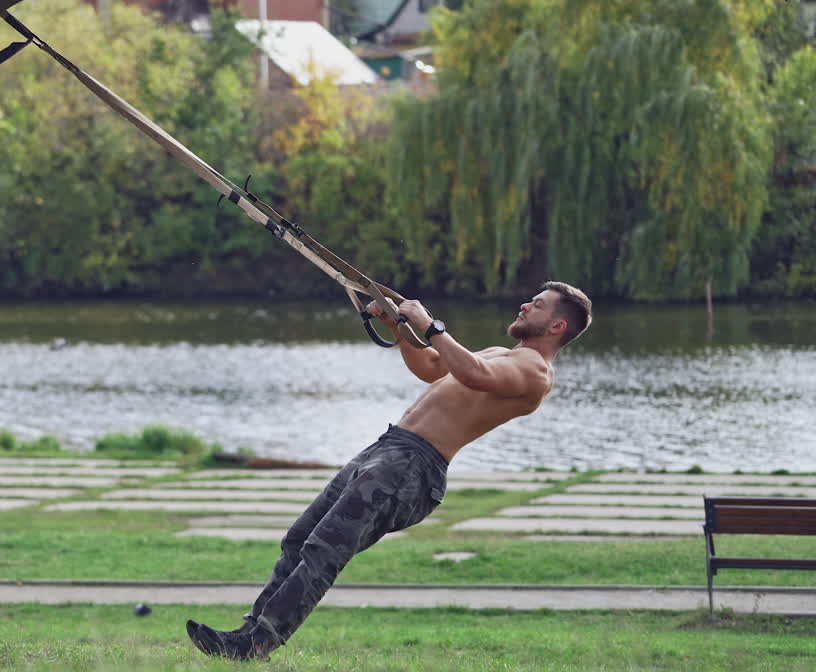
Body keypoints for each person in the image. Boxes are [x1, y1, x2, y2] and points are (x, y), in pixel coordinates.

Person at [186, 281, 593, 660]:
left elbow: (473, 374)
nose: (524, 304)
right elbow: (434, 366)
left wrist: (431, 325)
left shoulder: (535, 373)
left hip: (413, 468)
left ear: (557, 326)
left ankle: (256, 644)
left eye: (537, 305)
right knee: (299, 540)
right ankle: (248, 633)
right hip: (388, 449)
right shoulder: (500, 354)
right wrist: (399, 329)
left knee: (324, 550)